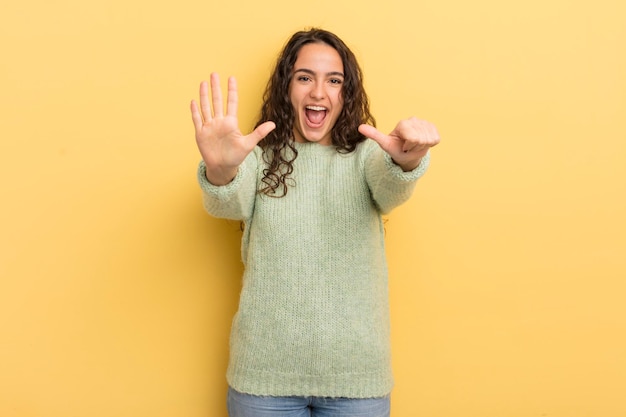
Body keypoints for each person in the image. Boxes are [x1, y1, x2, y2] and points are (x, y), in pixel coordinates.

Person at [190, 28, 440, 417]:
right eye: (305, 77)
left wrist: (407, 159)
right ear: (286, 86)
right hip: (263, 381)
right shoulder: (257, 158)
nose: (319, 93)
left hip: (356, 383)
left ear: (346, 92)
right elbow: (227, 204)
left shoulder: (366, 157)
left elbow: (392, 184)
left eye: (334, 80)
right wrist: (222, 169)